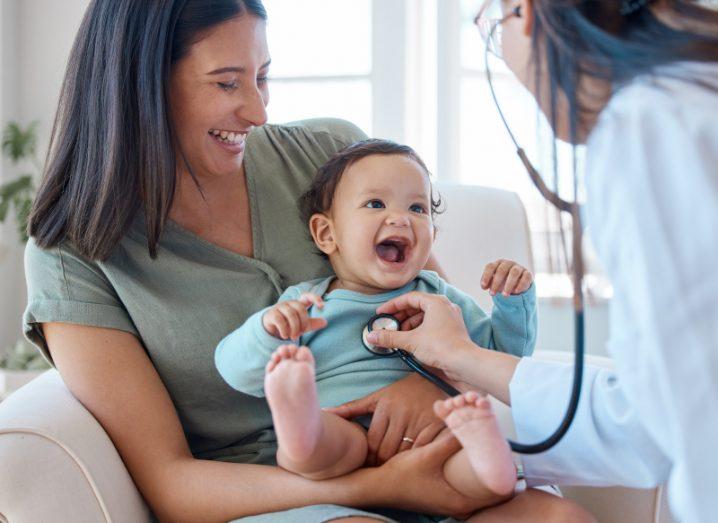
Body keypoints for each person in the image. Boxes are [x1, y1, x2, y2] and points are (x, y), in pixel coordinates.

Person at [19, 1, 592, 522]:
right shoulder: (72, 254)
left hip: (424, 448)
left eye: (263, 77)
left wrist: (425, 386)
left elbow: (434, 313)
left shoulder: (329, 155)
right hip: (276, 495)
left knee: (557, 520)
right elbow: (171, 483)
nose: (258, 110)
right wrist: (377, 487)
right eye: (227, 83)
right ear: (141, 86)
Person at [355, 1, 718, 522]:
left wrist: (464, 364)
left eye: (493, 24)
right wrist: (459, 359)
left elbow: (668, 422)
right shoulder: (687, 101)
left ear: (525, 14)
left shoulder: (650, 128)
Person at [215, 139, 540, 511]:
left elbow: (500, 358)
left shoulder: (441, 301)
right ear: (327, 234)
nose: (400, 218)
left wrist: (513, 302)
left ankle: (488, 458)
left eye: (417, 208)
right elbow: (233, 370)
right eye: (375, 204)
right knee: (320, 448)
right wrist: (267, 331)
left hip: (434, 442)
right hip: (344, 434)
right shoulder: (307, 305)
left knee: (466, 467)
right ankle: (298, 417)